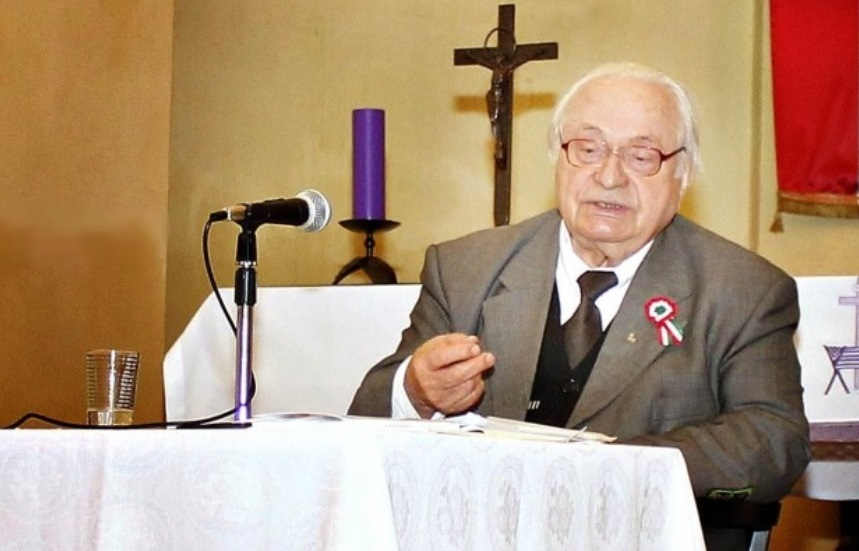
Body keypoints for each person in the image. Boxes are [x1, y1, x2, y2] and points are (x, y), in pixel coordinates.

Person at [348, 62, 810, 550]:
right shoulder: (466, 268)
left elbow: (773, 441)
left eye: (641, 156)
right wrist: (417, 389)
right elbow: (363, 419)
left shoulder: (743, 290)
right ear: (558, 158)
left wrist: (609, 468)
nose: (609, 177)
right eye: (588, 149)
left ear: (684, 173)